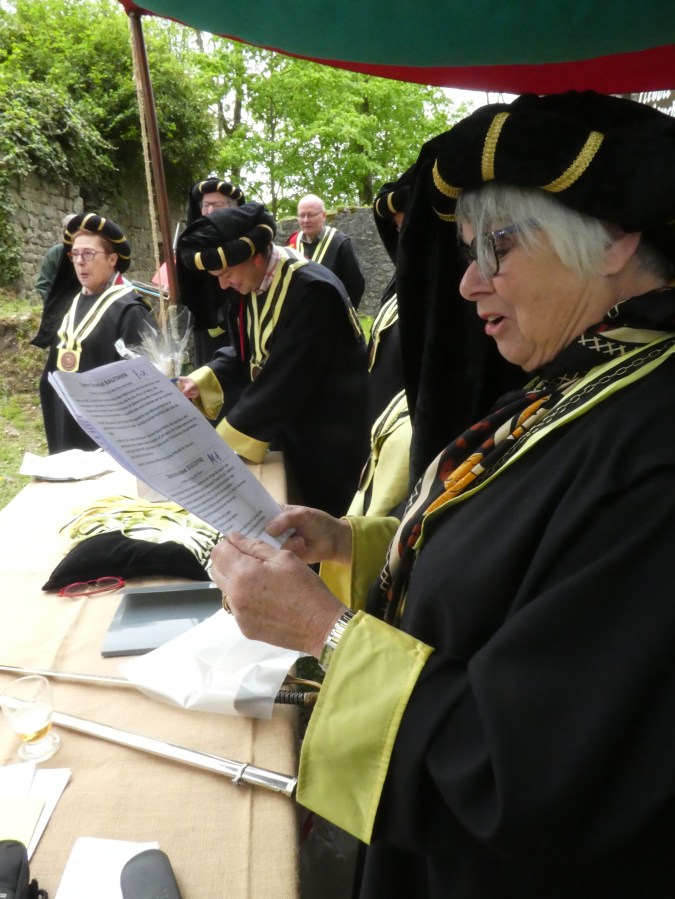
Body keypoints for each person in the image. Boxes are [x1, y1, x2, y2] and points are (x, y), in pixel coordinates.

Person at [209, 91, 675, 898]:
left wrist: (325, 630)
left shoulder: (653, 444)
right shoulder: (585, 377)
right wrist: (352, 542)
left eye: (498, 245)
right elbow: (508, 561)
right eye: (467, 252)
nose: (466, 284)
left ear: (614, 238)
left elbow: (528, 768)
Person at [176, 201, 369, 517]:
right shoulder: (254, 282)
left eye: (225, 274)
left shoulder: (313, 291)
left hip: (329, 442)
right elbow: (247, 352)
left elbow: (285, 380)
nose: (223, 284)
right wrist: (201, 380)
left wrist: (215, 453)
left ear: (254, 256)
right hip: (288, 429)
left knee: (323, 523)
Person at [32, 213, 155, 453]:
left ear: (112, 259)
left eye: (88, 254)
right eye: (75, 254)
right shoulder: (69, 305)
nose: (79, 261)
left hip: (109, 437)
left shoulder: (131, 310)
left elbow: (140, 387)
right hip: (66, 423)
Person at [178, 177, 246, 370]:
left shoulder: (242, 242)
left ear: (232, 208)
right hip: (205, 327)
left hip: (239, 319)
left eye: (216, 205)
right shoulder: (193, 244)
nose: (209, 211)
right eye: (206, 205)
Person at [286, 194, 365, 309]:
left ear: (323, 216)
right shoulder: (292, 243)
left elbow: (355, 285)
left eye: (311, 215)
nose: (306, 220)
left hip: (329, 315)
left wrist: (342, 314)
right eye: (302, 215)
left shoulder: (340, 244)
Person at [35, 213, 77, 303]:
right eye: (68, 231)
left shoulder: (88, 254)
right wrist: (53, 303)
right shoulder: (56, 253)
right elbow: (43, 285)